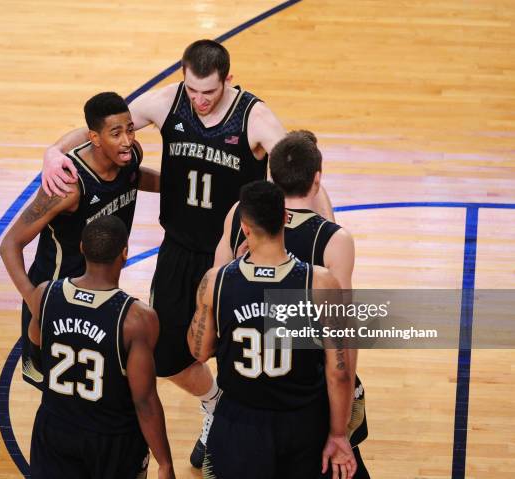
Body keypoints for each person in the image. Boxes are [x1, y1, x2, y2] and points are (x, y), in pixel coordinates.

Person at [41, 39, 334, 467]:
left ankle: (247, 424)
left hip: (233, 258)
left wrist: (324, 234)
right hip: (178, 251)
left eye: (209, 92)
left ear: (228, 81)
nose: (198, 100)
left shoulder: (253, 116)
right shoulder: (166, 102)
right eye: (192, 90)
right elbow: (104, 125)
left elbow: (299, 174)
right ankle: (214, 404)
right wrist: (54, 150)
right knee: (166, 356)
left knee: (248, 352)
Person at [215, 130, 370, 478]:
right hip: (303, 387)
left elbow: (214, 291)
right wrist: (339, 427)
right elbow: (343, 335)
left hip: (246, 385)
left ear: (270, 176)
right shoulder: (332, 239)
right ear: (317, 181)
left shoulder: (241, 216)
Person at [188, 180, 357, 479]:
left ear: (245, 227)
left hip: (239, 421)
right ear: (284, 218)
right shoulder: (319, 282)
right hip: (301, 421)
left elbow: (198, 352)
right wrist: (338, 434)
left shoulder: (217, 281)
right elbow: (340, 372)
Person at [0, 91, 159, 389]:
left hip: (99, 294)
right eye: (116, 133)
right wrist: (35, 300)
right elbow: (10, 245)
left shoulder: (130, 156)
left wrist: (174, 186)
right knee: (56, 391)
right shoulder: (68, 186)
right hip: (58, 297)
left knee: (92, 389)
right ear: (95, 139)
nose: (127, 140)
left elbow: (136, 177)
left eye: (130, 129)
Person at [26, 216, 174, 479]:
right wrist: (165, 462)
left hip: (55, 427)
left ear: (82, 248)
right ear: (125, 253)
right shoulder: (136, 318)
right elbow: (144, 400)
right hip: (112, 440)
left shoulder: (45, 294)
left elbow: (35, 353)